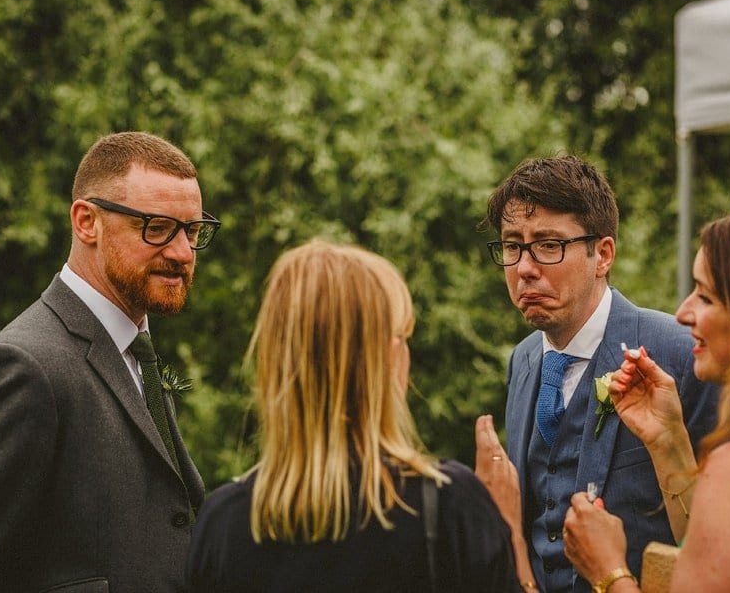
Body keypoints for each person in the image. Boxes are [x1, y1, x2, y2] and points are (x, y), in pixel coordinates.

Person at [0, 131, 219, 592]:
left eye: (191, 231)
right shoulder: (23, 368)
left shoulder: (135, 354)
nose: (182, 253)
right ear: (87, 221)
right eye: (156, 227)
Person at [186, 239, 535, 592]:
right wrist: (509, 532)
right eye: (402, 337)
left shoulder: (223, 524)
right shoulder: (447, 506)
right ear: (382, 359)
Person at [563, 206, 730, 593]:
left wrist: (609, 570)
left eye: (706, 297)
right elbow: (719, 555)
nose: (683, 313)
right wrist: (667, 440)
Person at [478, 155, 718, 592]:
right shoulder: (523, 360)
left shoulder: (680, 352)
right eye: (512, 245)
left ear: (602, 254)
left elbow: (724, 533)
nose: (524, 268)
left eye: (549, 245)